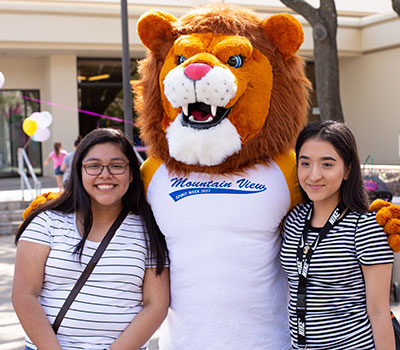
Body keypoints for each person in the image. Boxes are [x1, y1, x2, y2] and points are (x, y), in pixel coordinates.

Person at [12, 128, 170, 350]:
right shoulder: (46, 221)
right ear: (79, 171)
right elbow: (24, 295)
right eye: (94, 166)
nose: (105, 174)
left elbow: (156, 305)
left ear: (131, 173)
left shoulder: (150, 229)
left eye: (117, 166)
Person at [280, 121, 395, 350]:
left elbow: (380, 311)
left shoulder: (365, 226)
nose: (314, 175)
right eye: (305, 163)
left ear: (348, 170)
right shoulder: (293, 220)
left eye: (327, 164)